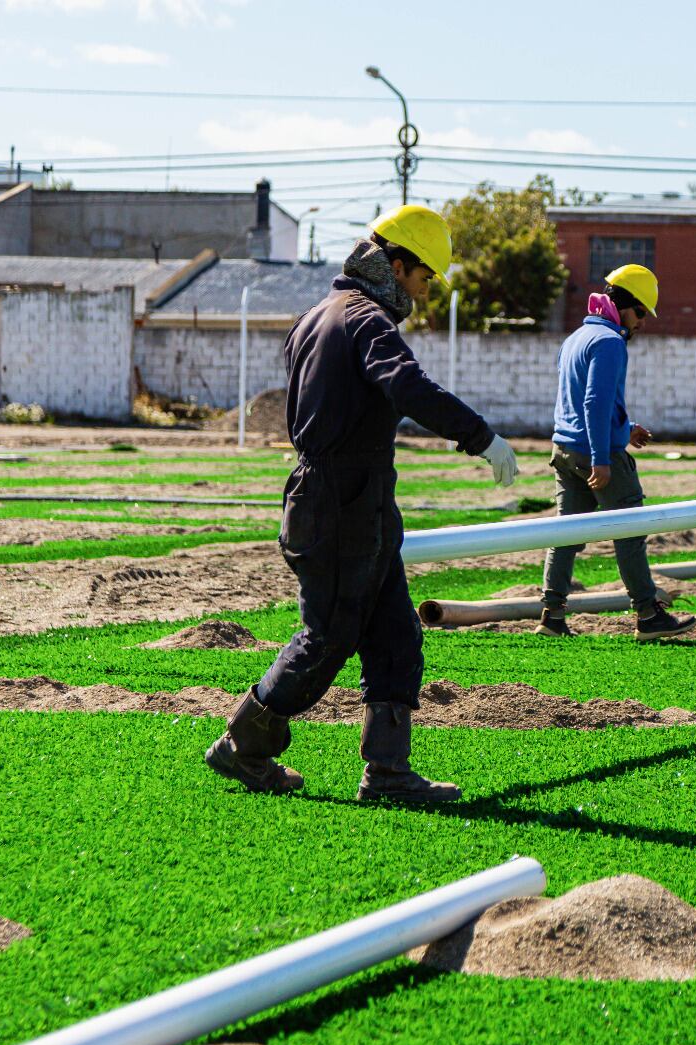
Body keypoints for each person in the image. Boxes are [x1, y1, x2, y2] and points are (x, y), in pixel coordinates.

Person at [204, 205, 520, 802]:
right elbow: (407, 385)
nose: (423, 295)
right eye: (424, 279)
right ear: (398, 266)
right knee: (326, 639)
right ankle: (243, 747)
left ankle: (388, 775)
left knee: (396, 636)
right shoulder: (367, 320)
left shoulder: (316, 317)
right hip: (341, 504)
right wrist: (481, 436)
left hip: (348, 499)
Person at [536, 264, 696, 640]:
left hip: (564, 450)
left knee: (566, 535)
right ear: (624, 305)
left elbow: (579, 403)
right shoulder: (610, 342)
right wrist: (602, 458)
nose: (643, 322)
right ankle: (648, 614)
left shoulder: (577, 336)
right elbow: (594, 403)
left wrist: (626, 429)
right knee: (631, 531)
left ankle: (552, 616)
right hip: (595, 453)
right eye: (641, 313)